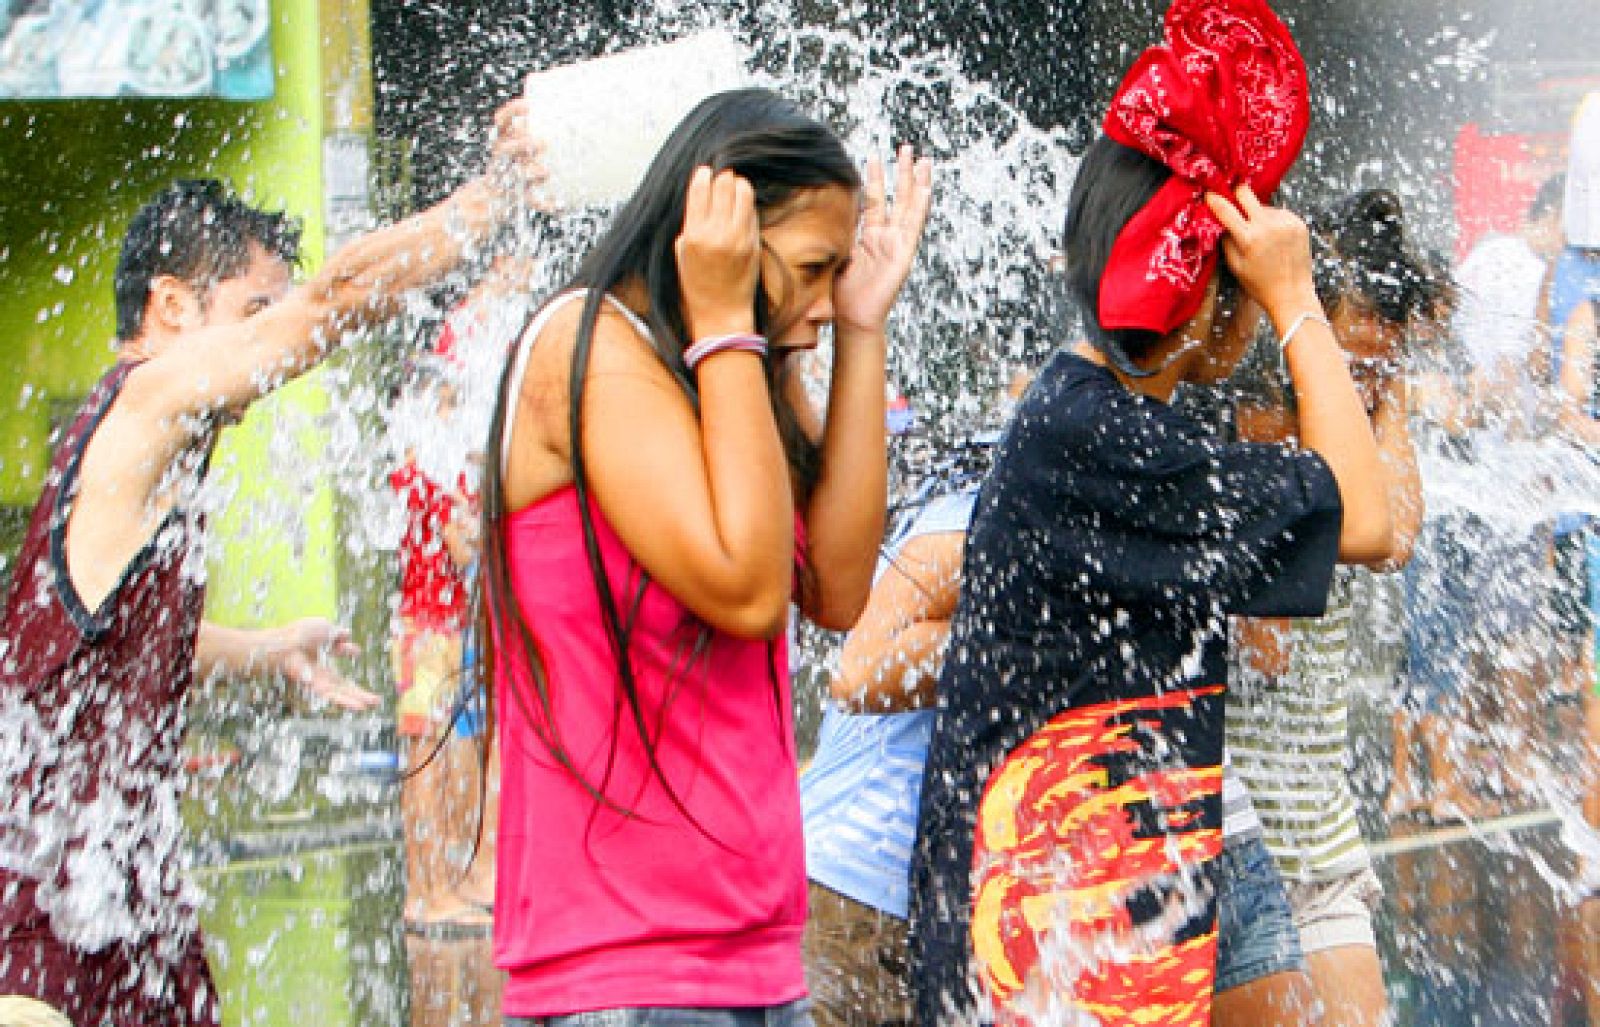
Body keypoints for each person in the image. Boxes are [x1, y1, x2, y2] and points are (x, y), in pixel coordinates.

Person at [0, 100, 545, 1025]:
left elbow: (104, 634)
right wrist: (488, 203)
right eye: (252, 310)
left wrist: (262, 650)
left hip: (118, 884)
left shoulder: (150, 447)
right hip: (43, 903)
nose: (268, 340)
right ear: (170, 305)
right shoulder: (146, 398)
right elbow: (329, 304)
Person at [908, 1, 1395, 1022]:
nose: (1257, 319)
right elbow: (1366, 516)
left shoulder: (1088, 417)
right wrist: (1298, 293)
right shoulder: (1102, 440)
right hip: (1048, 960)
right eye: (1246, 287)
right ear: (1202, 282)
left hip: (1099, 925)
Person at [479, 87, 932, 1023]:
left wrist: (861, 328)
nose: (815, 305)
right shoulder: (587, 347)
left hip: (752, 953)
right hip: (626, 962)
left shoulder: (731, 372)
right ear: (720, 234)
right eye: (811, 270)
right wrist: (730, 318)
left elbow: (839, 589)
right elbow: (749, 587)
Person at [1227, 188, 1431, 1027]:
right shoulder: (1260, 428)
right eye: (1357, 365)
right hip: (1242, 850)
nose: (1371, 386)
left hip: (1325, 840)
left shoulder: (1362, 429)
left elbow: (1399, 534)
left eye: (1388, 367)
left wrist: (1390, 399)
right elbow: (1265, 649)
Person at [800, 426, 1000, 1026]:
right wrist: (1026, 628)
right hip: (853, 892)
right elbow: (859, 672)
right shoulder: (979, 510)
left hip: (949, 912)